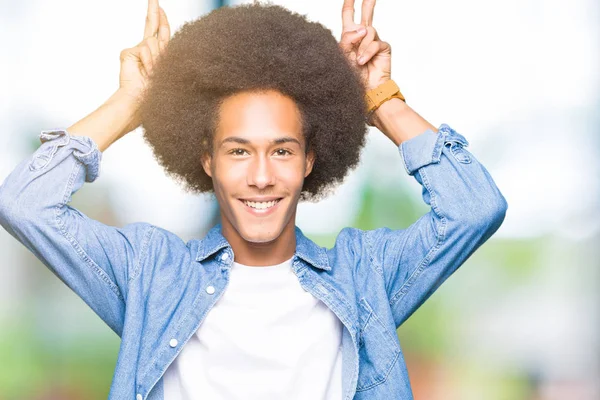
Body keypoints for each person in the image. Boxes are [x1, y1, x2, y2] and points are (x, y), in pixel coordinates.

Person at [0, 0, 508, 399]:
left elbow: (474, 208)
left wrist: (380, 98)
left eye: (281, 150)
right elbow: (25, 204)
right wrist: (131, 102)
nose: (261, 176)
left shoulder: (365, 277)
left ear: (309, 160)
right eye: (238, 150)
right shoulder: (151, 275)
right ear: (207, 161)